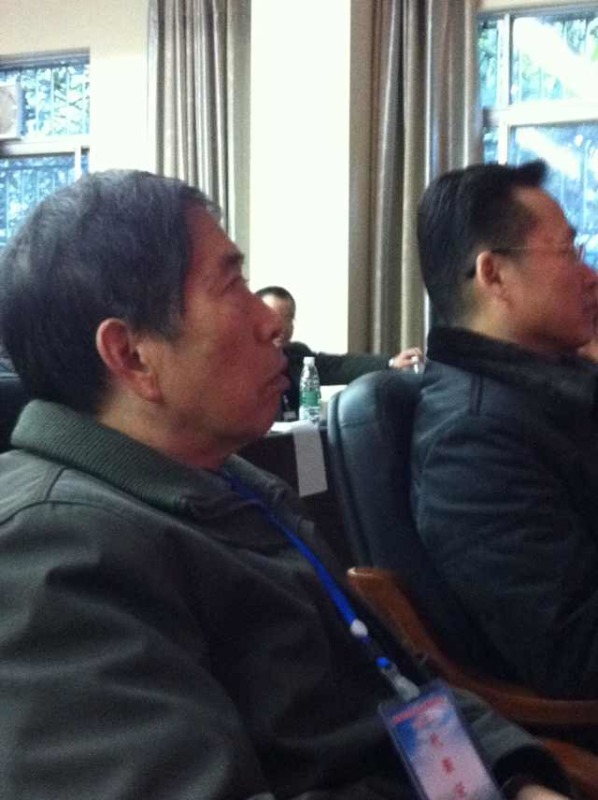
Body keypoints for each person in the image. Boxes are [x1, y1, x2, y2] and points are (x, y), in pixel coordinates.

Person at [0, 170, 570, 799]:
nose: (272, 322)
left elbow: (396, 679)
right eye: (231, 285)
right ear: (132, 355)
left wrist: (516, 778)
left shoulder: (227, 481)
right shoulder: (51, 555)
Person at [411, 159, 598, 702]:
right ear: (493, 274)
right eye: (569, 252)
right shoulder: (472, 440)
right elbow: (576, 653)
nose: (590, 274)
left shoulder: (551, 392)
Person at [256, 285, 423, 417]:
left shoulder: (297, 355)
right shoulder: (244, 363)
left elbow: (338, 366)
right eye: (274, 318)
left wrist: (392, 362)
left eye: (289, 319)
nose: (283, 328)